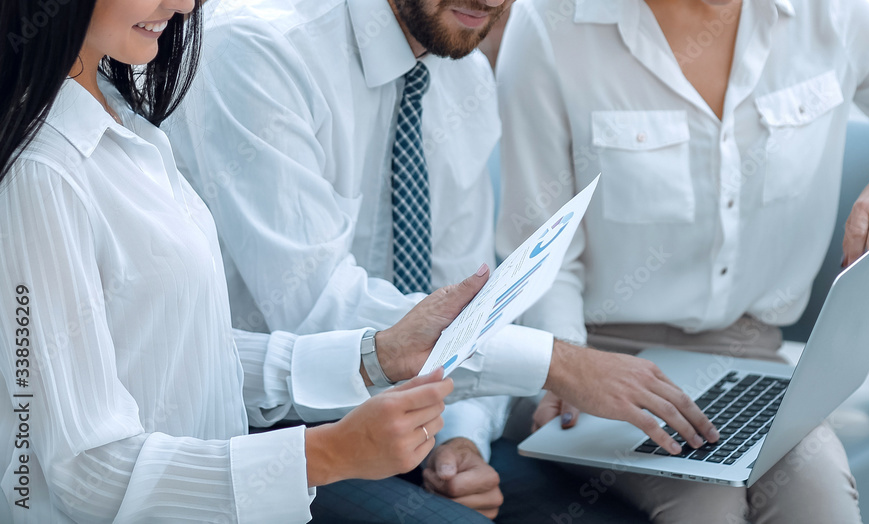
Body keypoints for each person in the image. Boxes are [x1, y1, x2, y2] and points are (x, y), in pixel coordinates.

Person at [163, 0, 716, 521]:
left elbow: (469, 295)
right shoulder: (260, 47)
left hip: (409, 425)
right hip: (269, 430)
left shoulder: (461, 72)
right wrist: (557, 362)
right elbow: (316, 308)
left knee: (614, 515)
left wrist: (459, 442)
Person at [0, 0, 512, 521]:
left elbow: (186, 354)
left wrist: (376, 355)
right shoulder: (43, 171)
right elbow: (84, 472)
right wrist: (327, 454)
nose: (183, 4)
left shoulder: (122, 116)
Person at [496, 0, 869, 522]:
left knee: (819, 503)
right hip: (602, 357)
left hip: (750, 358)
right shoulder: (551, 23)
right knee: (706, 507)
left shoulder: (831, 15)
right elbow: (537, 250)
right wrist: (568, 366)